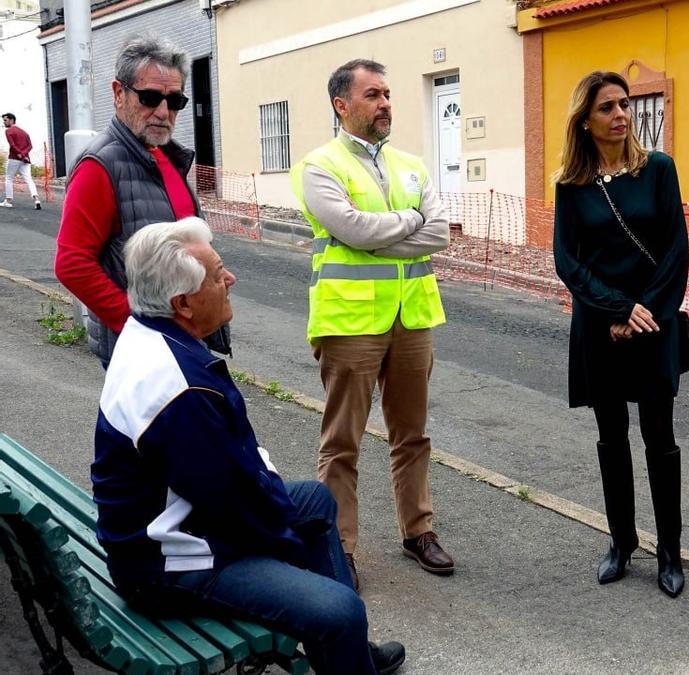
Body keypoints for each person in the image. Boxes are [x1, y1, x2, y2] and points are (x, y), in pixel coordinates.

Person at [92, 217, 406, 674]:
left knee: (316, 501)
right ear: (182, 303)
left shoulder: (149, 334)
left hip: (175, 523)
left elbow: (231, 479)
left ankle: (344, 652)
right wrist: (286, 545)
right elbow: (234, 506)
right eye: (218, 274)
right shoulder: (181, 390)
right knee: (339, 609)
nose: (230, 279)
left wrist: (278, 514)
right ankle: (342, 641)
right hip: (163, 565)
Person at [292, 58, 453, 589]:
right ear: (342, 104)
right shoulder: (320, 164)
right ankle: (338, 549)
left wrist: (382, 232)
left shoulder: (412, 165)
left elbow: (440, 235)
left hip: (412, 317)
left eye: (388, 93)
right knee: (343, 442)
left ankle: (418, 531)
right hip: (350, 322)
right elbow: (350, 228)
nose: (385, 103)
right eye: (373, 95)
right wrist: (409, 223)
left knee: (413, 435)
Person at [552, 71, 689, 598]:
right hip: (600, 326)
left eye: (625, 104)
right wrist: (615, 309)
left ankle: (670, 552)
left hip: (654, 321)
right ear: (585, 121)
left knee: (660, 437)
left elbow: (676, 250)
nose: (620, 115)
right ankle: (621, 542)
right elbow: (568, 261)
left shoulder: (657, 169)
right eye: (607, 108)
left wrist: (644, 311)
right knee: (611, 437)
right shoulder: (571, 184)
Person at [54, 34, 230, 368]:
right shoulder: (100, 166)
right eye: (150, 98)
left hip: (184, 340)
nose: (163, 112)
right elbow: (71, 263)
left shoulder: (165, 157)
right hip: (143, 351)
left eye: (175, 101)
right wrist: (137, 326)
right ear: (119, 93)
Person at [2, 112, 41, 210]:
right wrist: (24, 155)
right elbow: (30, 146)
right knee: (29, 179)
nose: (4, 122)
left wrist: (20, 154)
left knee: (9, 178)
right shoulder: (24, 132)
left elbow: (12, 145)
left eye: (5, 120)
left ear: (11, 120)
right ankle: (36, 199)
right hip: (25, 159)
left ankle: (8, 200)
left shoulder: (9, 131)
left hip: (14, 158)